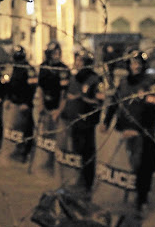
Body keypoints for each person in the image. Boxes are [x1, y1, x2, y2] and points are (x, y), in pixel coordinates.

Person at [102, 49, 155, 213]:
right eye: (132, 63)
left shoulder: (150, 83)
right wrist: (106, 122)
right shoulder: (124, 82)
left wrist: (138, 130)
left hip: (143, 133)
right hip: (125, 130)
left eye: (138, 63)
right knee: (127, 166)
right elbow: (114, 102)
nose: (135, 66)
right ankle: (127, 194)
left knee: (143, 167)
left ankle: (141, 199)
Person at [60, 50, 103, 198]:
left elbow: (99, 101)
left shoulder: (95, 79)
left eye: (81, 61)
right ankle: (79, 180)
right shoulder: (74, 77)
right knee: (77, 152)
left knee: (87, 153)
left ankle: (87, 184)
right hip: (74, 121)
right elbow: (67, 95)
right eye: (77, 60)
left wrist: (82, 97)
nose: (78, 63)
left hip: (87, 122)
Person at [32, 42, 69, 176]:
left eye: (58, 53)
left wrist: (59, 110)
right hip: (45, 106)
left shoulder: (63, 69)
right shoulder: (43, 67)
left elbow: (64, 93)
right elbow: (40, 87)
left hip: (57, 107)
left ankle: (55, 167)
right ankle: (43, 165)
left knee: (57, 139)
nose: (56, 55)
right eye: (54, 53)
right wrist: (41, 104)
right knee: (44, 137)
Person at [1, 45, 37, 163]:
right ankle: (11, 154)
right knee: (11, 130)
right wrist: (7, 98)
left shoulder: (28, 68)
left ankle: (23, 153)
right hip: (13, 103)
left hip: (24, 105)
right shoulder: (11, 67)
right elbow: (7, 84)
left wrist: (27, 102)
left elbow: (32, 87)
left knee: (25, 131)